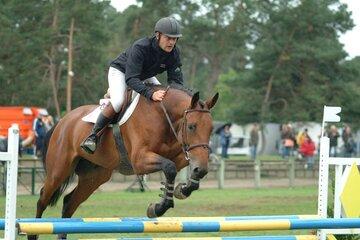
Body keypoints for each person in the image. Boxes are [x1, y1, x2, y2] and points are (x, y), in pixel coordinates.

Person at [81, 17, 184, 154]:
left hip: (144, 75)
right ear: (158, 35)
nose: (172, 42)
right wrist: (150, 93)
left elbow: (176, 82)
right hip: (121, 72)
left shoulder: (174, 53)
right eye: (168, 38)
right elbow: (130, 78)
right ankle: (93, 136)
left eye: (175, 39)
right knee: (118, 102)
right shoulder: (141, 47)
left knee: (164, 99)